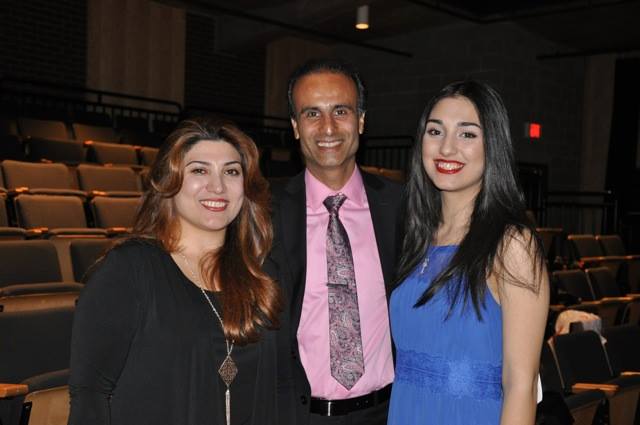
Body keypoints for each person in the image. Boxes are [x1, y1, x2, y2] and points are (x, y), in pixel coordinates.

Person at [68, 118, 282, 425]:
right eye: (199, 170)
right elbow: (90, 395)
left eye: (231, 172)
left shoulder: (260, 275)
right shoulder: (129, 270)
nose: (218, 186)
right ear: (170, 181)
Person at [388, 81, 549, 425]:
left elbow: (521, 385)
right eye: (435, 131)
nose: (447, 147)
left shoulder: (512, 244)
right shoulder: (416, 238)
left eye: (467, 134)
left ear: (493, 146)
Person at [269, 58, 403, 425]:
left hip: (389, 412)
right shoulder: (264, 213)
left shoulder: (402, 207)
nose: (327, 127)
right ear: (295, 127)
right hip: (299, 417)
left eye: (341, 111)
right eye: (312, 113)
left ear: (361, 120)